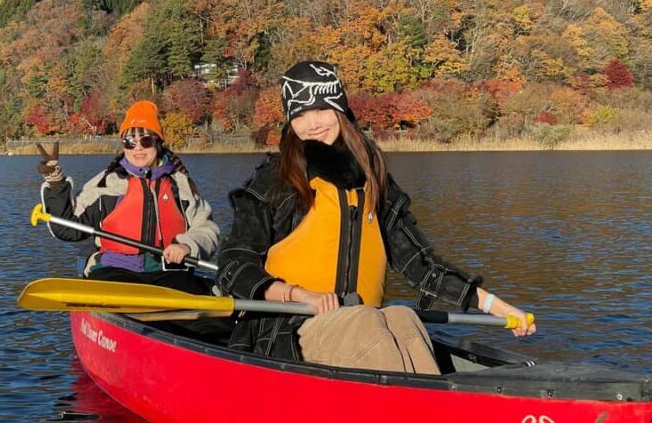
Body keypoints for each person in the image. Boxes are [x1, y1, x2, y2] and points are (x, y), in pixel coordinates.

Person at [217, 61, 536, 374]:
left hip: (356, 324)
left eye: (321, 110)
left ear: (340, 110)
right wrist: (297, 294)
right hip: (286, 329)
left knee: (402, 318)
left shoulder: (373, 178)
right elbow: (233, 264)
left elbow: (421, 264)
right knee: (366, 322)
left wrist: (494, 305)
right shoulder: (275, 180)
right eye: (299, 115)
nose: (312, 124)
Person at [37, 100, 219, 296]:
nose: (138, 148)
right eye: (130, 142)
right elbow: (67, 229)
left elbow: (207, 229)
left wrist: (187, 246)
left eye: (146, 140)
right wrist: (56, 184)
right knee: (114, 287)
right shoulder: (107, 183)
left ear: (158, 142)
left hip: (168, 274)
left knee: (207, 297)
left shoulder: (180, 184)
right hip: (116, 272)